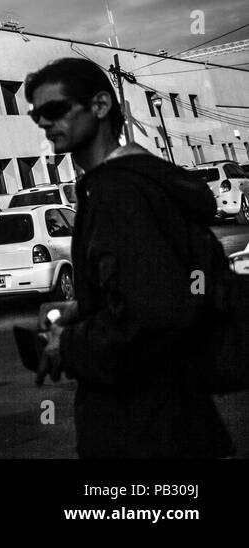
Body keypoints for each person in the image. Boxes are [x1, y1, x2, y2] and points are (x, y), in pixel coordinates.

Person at [26, 57, 233, 458]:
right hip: (178, 417)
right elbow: (162, 287)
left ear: (101, 105)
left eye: (55, 109)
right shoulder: (142, 180)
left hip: (142, 430)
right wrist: (82, 308)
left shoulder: (115, 193)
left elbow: (150, 317)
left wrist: (65, 344)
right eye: (37, 115)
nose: (45, 123)